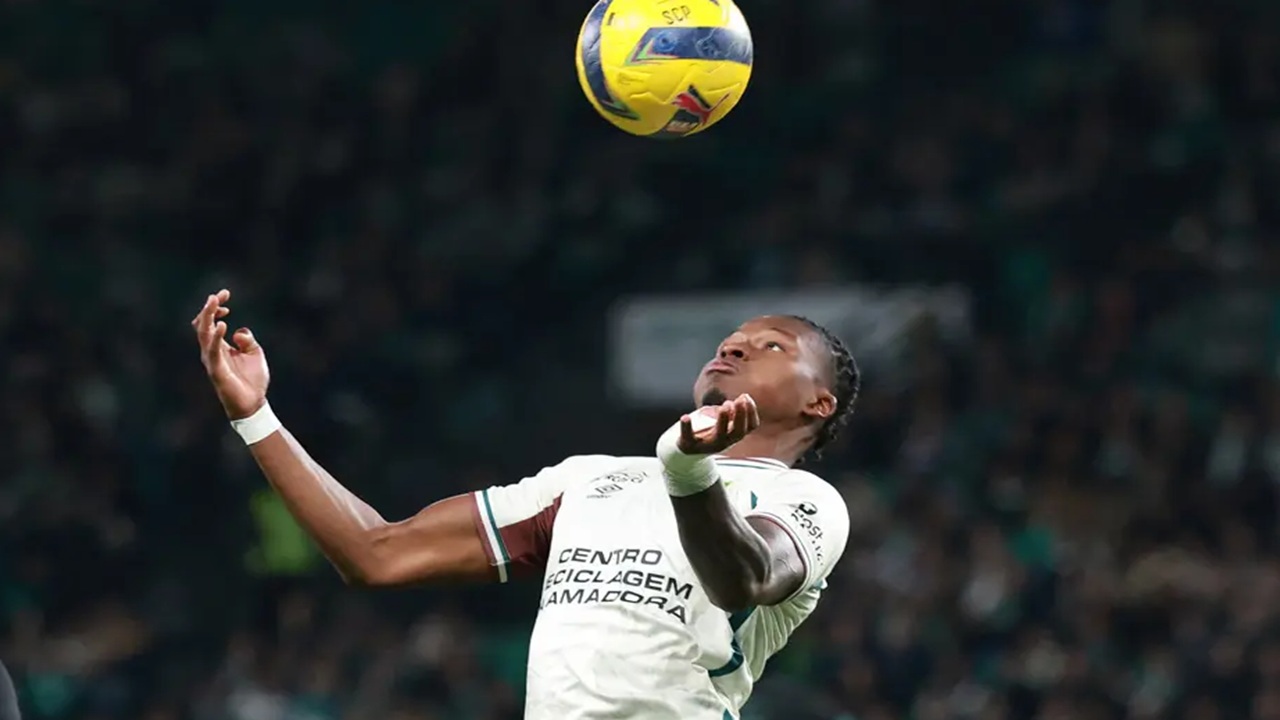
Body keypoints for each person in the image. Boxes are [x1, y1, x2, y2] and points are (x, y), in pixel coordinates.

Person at [191, 288, 860, 720]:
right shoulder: (587, 481)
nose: (734, 346)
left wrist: (686, 469)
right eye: (730, 340)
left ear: (818, 403)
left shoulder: (808, 501)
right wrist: (256, 416)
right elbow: (377, 553)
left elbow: (744, 578)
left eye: (772, 346)